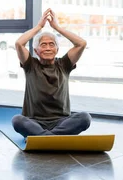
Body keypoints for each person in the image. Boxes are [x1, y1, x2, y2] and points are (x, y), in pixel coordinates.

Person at [12, 8, 91, 137]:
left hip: (61, 122)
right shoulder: (30, 65)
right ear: (36, 51)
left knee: (85, 118)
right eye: (43, 45)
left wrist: (57, 28)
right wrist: (39, 26)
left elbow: (81, 43)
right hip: (34, 122)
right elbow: (19, 43)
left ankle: (44, 137)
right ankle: (54, 138)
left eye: (51, 44)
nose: (48, 48)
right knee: (17, 120)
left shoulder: (64, 65)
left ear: (57, 49)